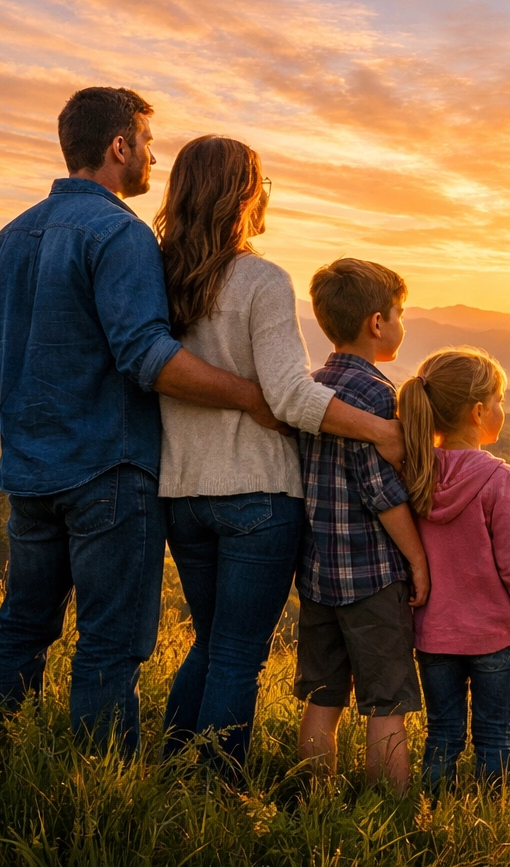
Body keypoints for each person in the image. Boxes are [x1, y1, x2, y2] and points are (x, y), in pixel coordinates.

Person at [0, 89, 402, 756]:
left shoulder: (25, 241)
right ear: (119, 147)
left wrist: (26, 444)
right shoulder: (140, 244)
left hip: (117, 485)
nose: (150, 155)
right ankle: (140, 785)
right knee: (164, 650)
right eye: (145, 142)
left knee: (28, 625)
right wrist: (285, 406)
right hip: (176, 481)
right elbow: (172, 363)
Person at [154, 135, 339, 771]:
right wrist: (381, 431)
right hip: (258, 493)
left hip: (182, 493)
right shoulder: (262, 280)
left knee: (211, 645)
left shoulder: (157, 276)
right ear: (247, 194)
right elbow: (290, 396)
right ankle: (213, 793)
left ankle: (171, 771)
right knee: (236, 657)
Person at [294, 258, 430, 795]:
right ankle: (389, 811)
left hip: (318, 574)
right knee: (387, 702)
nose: (402, 323)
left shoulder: (310, 388)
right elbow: (381, 492)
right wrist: (418, 560)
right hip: (372, 577)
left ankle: (310, 800)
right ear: (377, 323)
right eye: (399, 313)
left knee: (323, 696)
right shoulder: (378, 396)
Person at [396, 346, 510, 788]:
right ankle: (487, 827)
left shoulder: (415, 471)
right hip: (496, 637)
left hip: (434, 635)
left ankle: (433, 815)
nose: (503, 408)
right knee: (495, 736)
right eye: (500, 400)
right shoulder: (499, 478)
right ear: (479, 412)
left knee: (442, 735)